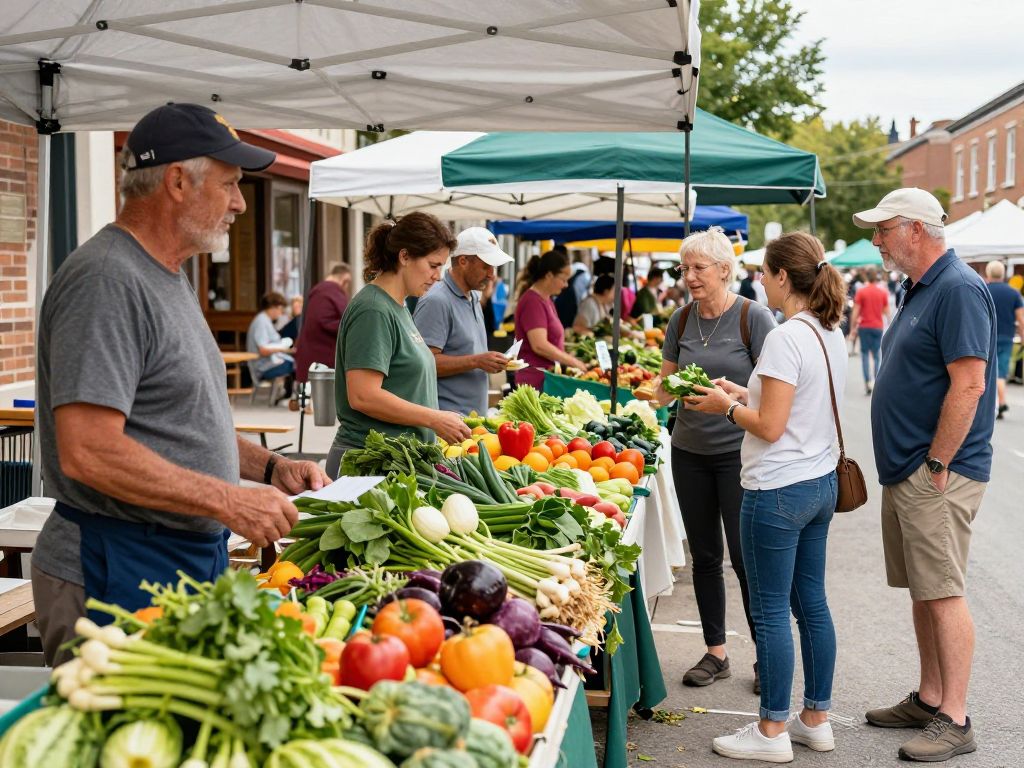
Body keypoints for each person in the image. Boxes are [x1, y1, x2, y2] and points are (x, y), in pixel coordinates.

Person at [31, 103, 329, 665]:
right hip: (115, 567)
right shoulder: (106, 279)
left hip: (176, 557)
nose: (241, 202)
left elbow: (181, 418)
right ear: (175, 181)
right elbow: (87, 451)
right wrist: (228, 500)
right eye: (231, 184)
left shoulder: (167, 274)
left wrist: (269, 468)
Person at [685, 232, 847, 763]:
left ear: (782, 277)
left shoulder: (782, 335)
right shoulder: (829, 331)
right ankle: (815, 720)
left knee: (773, 609)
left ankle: (772, 731)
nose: (761, 282)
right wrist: (739, 392)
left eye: (765, 273)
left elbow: (771, 425)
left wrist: (725, 409)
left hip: (778, 488)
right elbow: (791, 403)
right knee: (812, 605)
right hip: (820, 482)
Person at [854, 188, 995, 763]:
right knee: (922, 587)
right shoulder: (921, 287)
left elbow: (970, 383)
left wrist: (937, 462)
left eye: (882, 230)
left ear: (914, 229)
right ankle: (931, 697)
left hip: (938, 471)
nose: (876, 240)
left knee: (942, 592)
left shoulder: (958, 288)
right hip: (912, 468)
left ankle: (955, 718)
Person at [654, 228, 776, 694]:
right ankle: (716, 652)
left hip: (737, 455)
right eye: (685, 268)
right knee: (705, 557)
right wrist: (668, 388)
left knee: (747, 560)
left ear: (725, 270)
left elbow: (775, 389)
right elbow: (661, 386)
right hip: (688, 452)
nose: (689, 277)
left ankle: (768, 654)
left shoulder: (754, 318)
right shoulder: (680, 321)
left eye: (698, 268)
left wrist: (732, 394)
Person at [326, 213, 471, 478]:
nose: (438, 276)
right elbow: (362, 395)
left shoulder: (399, 306)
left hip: (395, 462)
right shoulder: (374, 309)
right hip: (368, 465)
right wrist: (433, 418)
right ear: (404, 257)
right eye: (432, 265)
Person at [413, 227, 512, 416]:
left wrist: (488, 361)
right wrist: (476, 361)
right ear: (463, 261)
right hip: (446, 422)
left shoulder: (474, 296)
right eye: (486, 266)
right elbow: (423, 365)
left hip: (471, 421)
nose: (492, 274)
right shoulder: (437, 300)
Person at [514, 249, 588, 388]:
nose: (566, 285)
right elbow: (539, 345)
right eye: (563, 279)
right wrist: (573, 361)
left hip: (547, 378)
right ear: (549, 275)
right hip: (535, 381)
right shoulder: (532, 302)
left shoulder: (546, 299)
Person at [293, 263, 351, 393]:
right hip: (323, 349)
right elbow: (333, 320)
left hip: (311, 346)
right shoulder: (331, 291)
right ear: (344, 280)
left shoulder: (319, 290)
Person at [983, 260, 1024, 419]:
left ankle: (993, 405)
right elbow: (1021, 319)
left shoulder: (983, 290)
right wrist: (1022, 337)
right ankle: (1001, 402)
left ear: (988, 273)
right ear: (1003, 273)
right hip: (1006, 336)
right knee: (1001, 372)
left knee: (986, 372)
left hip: (986, 336)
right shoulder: (1013, 293)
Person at [849, 267, 892, 395]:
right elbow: (887, 312)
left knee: (865, 354)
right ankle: (876, 381)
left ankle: (867, 382)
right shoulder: (883, 292)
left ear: (866, 277)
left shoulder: (861, 292)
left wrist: (852, 328)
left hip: (864, 327)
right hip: (877, 326)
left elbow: (855, 312)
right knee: (877, 355)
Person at [247, 291, 295, 401]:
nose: (281, 313)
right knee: (296, 365)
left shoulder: (264, 320)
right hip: (263, 367)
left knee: (294, 363)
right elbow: (263, 349)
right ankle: (288, 397)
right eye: (280, 309)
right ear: (274, 307)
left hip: (267, 363)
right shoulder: (262, 322)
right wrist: (284, 349)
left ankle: (287, 395)